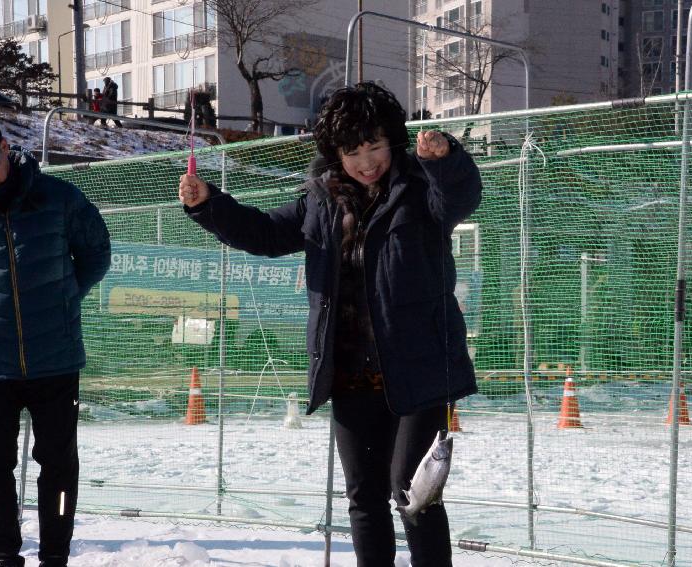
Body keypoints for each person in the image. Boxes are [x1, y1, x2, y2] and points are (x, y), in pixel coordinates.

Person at [179, 82, 482, 566]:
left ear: (392, 142)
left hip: (419, 368)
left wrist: (444, 159)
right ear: (335, 153)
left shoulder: (419, 188)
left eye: (374, 147)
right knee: (364, 497)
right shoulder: (320, 201)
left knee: (414, 489)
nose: (366, 162)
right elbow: (265, 233)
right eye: (352, 151)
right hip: (348, 370)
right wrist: (208, 204)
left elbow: (460, 199)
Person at [0, 113, 111, 567]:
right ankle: (2, 558)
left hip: (54, 358)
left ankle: (55, 556)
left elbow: (96, 251)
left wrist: (65, 295)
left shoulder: (58, 198)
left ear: (4, 150)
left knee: (57, 467)